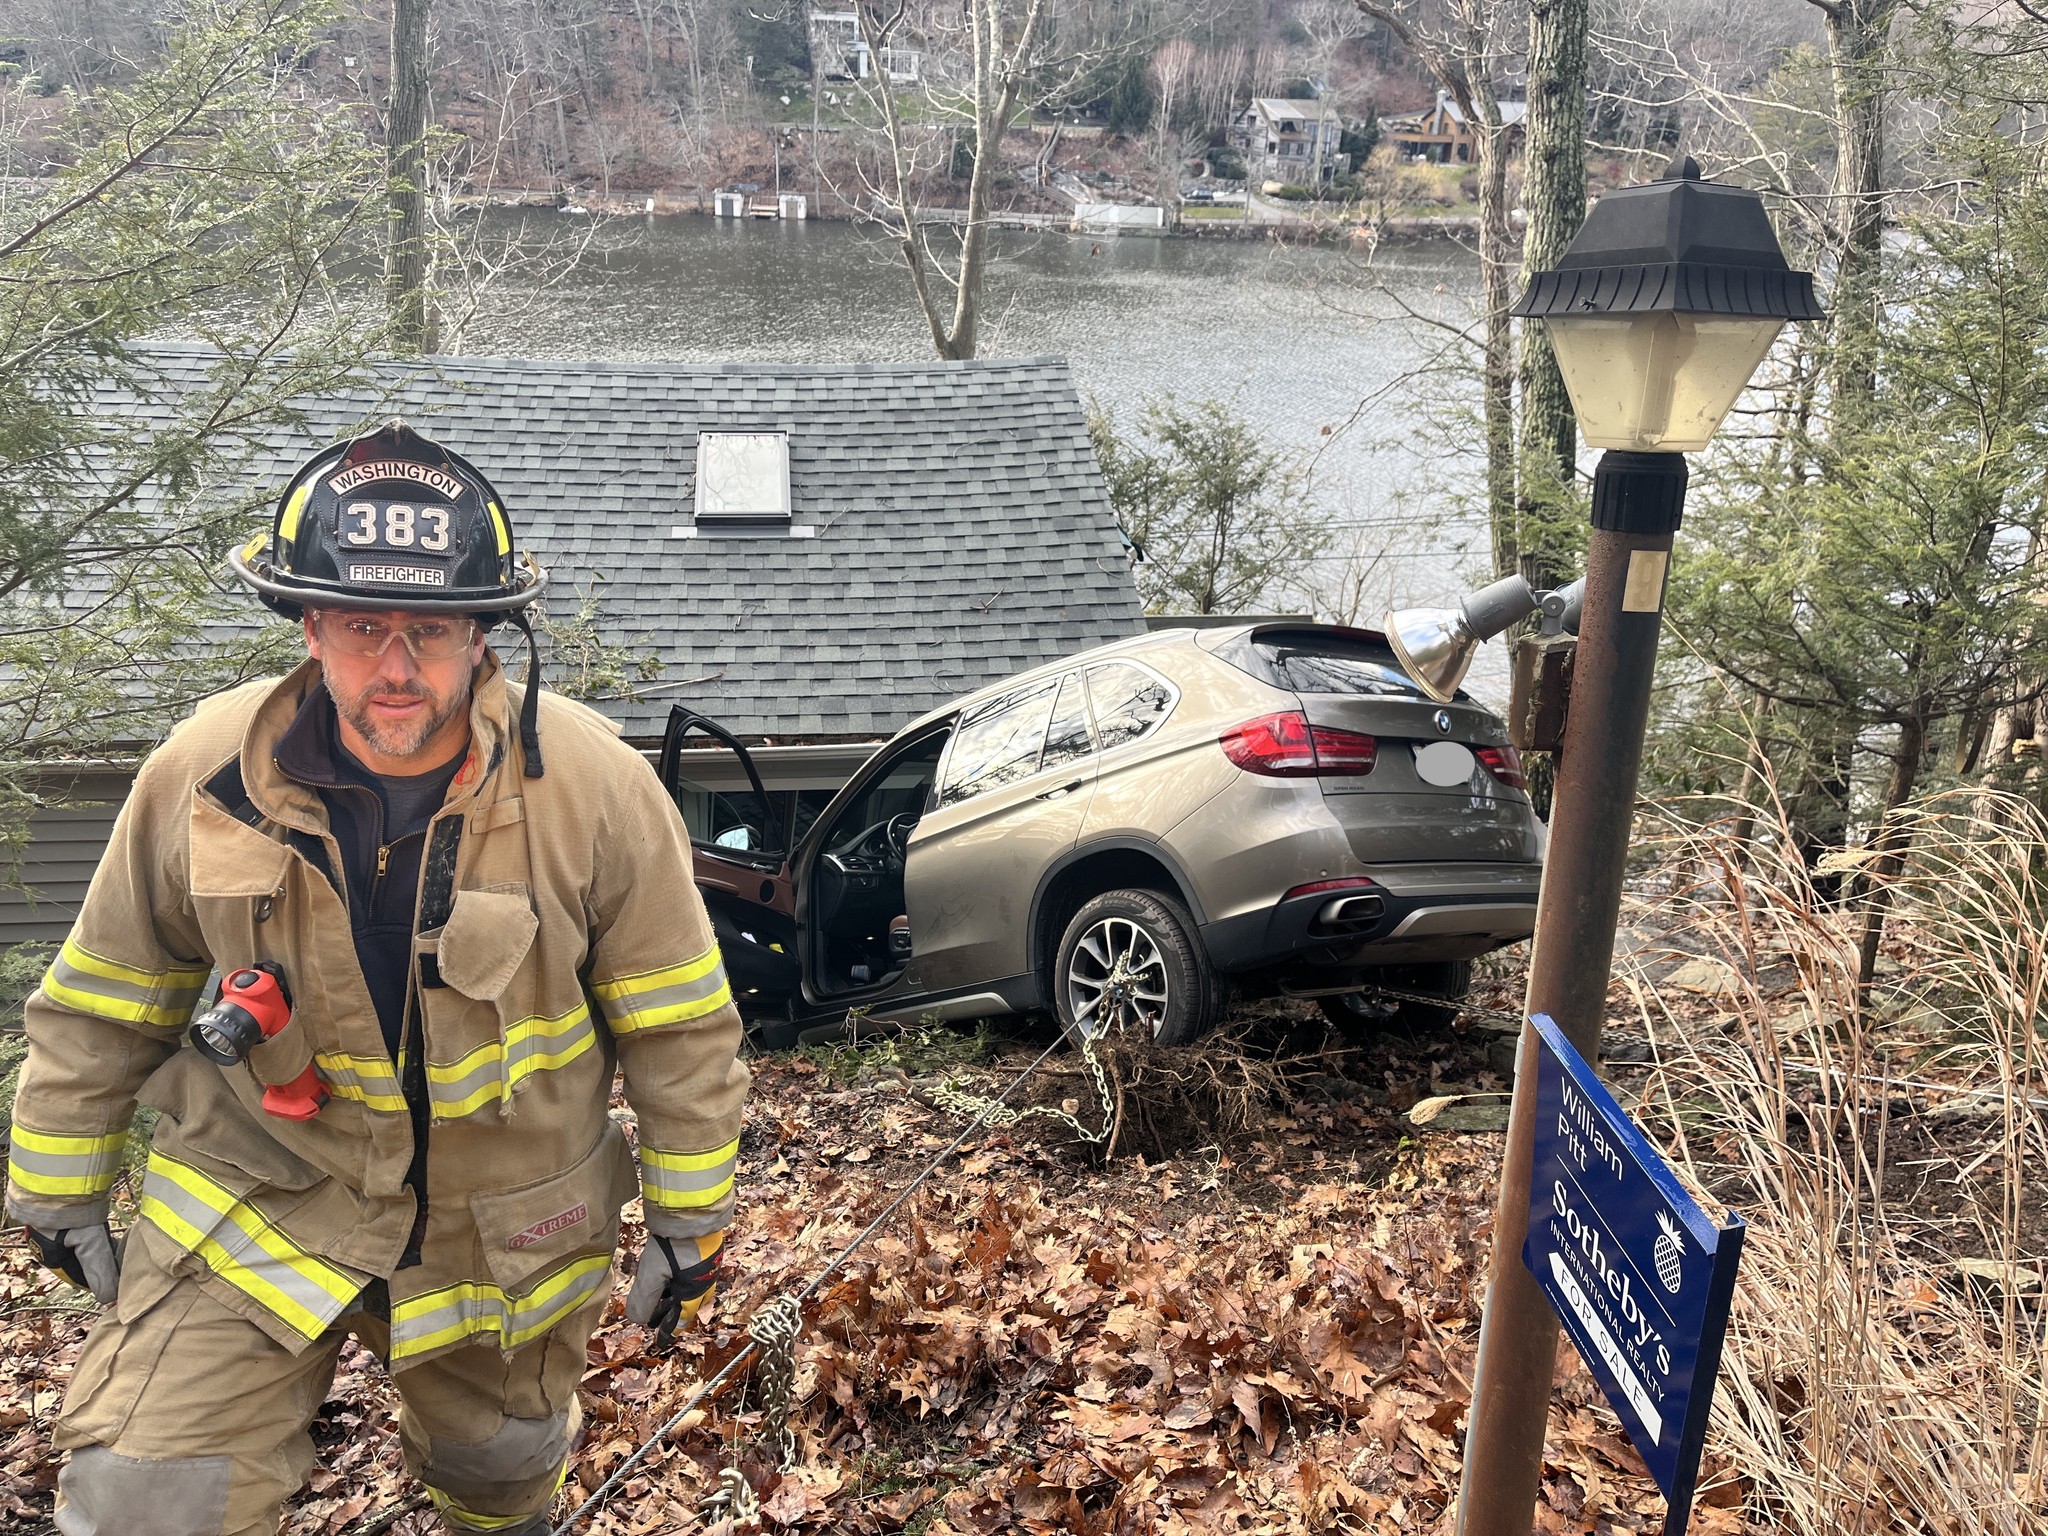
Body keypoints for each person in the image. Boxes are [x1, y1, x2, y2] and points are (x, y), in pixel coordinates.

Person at [5, 422, 749, 1536]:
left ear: (481, 637)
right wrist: (56, 1188)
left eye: (430, 631)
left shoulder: (595, 789)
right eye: (362, 627)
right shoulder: (203, 774)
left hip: (500, 1243)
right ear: (309, 626)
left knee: (498, 1485)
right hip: (256, 1210)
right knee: (140, 1503)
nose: (395, 666)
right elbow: (106, 994)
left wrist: (690, 1218)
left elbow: (680, 1027)